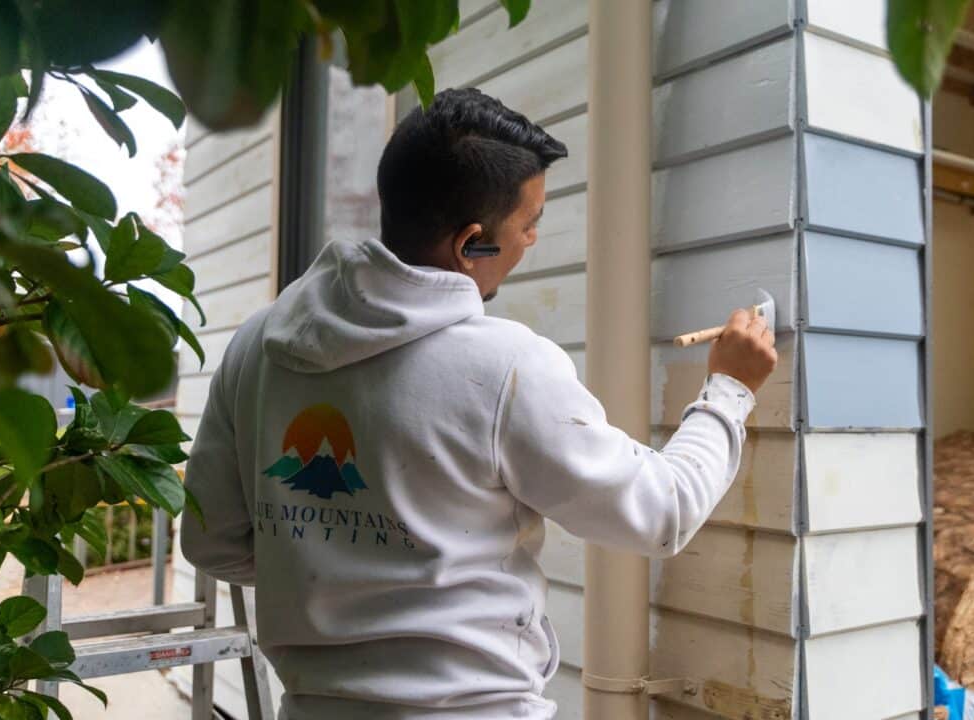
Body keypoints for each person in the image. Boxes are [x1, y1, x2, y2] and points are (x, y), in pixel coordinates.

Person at [181, 88, 778, 720]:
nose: (532, 241)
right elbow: (662, 510)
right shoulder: (504, 368)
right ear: (471, 245)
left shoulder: (257, 345)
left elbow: (212, 542)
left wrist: (329, 564)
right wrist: (730, 389)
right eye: (528, 224)